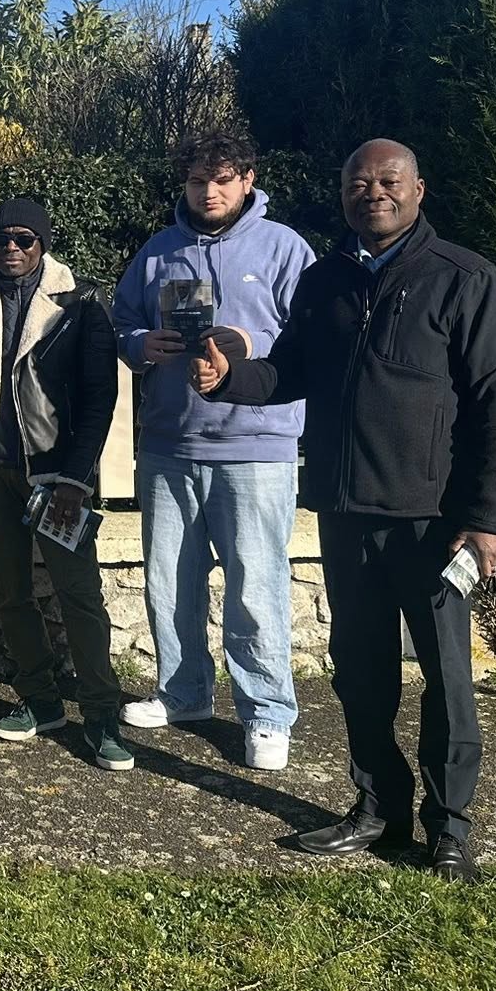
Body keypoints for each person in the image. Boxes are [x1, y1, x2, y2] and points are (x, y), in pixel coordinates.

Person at [192, 138, 496, 882]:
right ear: (343, 195)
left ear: (418, 190)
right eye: (357, 183)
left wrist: (491, 517)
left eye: (388, 181)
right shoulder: (324, 281)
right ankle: (377, 808)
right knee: (361, 673)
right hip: (347, 513)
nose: (372, 193)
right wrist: (229, 378)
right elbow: (291, 371)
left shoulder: (463, 278)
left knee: (446, 678)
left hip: (435, 523)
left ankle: (449, 829)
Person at [111, 129, 315, 771]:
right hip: (172, 442)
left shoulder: (285, 247)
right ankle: (184, 694)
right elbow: (120, 321)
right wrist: (142, 344)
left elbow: (309, 335)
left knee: (256, 587)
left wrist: (248, 340)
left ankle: (267, 713)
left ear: (247, 181)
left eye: (223, 179)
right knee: (170, 583)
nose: (210, 191)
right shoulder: (158, 251)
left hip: (258, 445)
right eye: (199, 180)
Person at [0, 197, 128, 767]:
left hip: (56, 477)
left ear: (43, 244)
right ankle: (41, 701)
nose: (11, 249)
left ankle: (101, 715)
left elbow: (99, 399)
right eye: (1, 240)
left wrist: (76, 477)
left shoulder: (82, 300)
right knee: (11, 595)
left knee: (79, 596)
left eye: (24, 239)